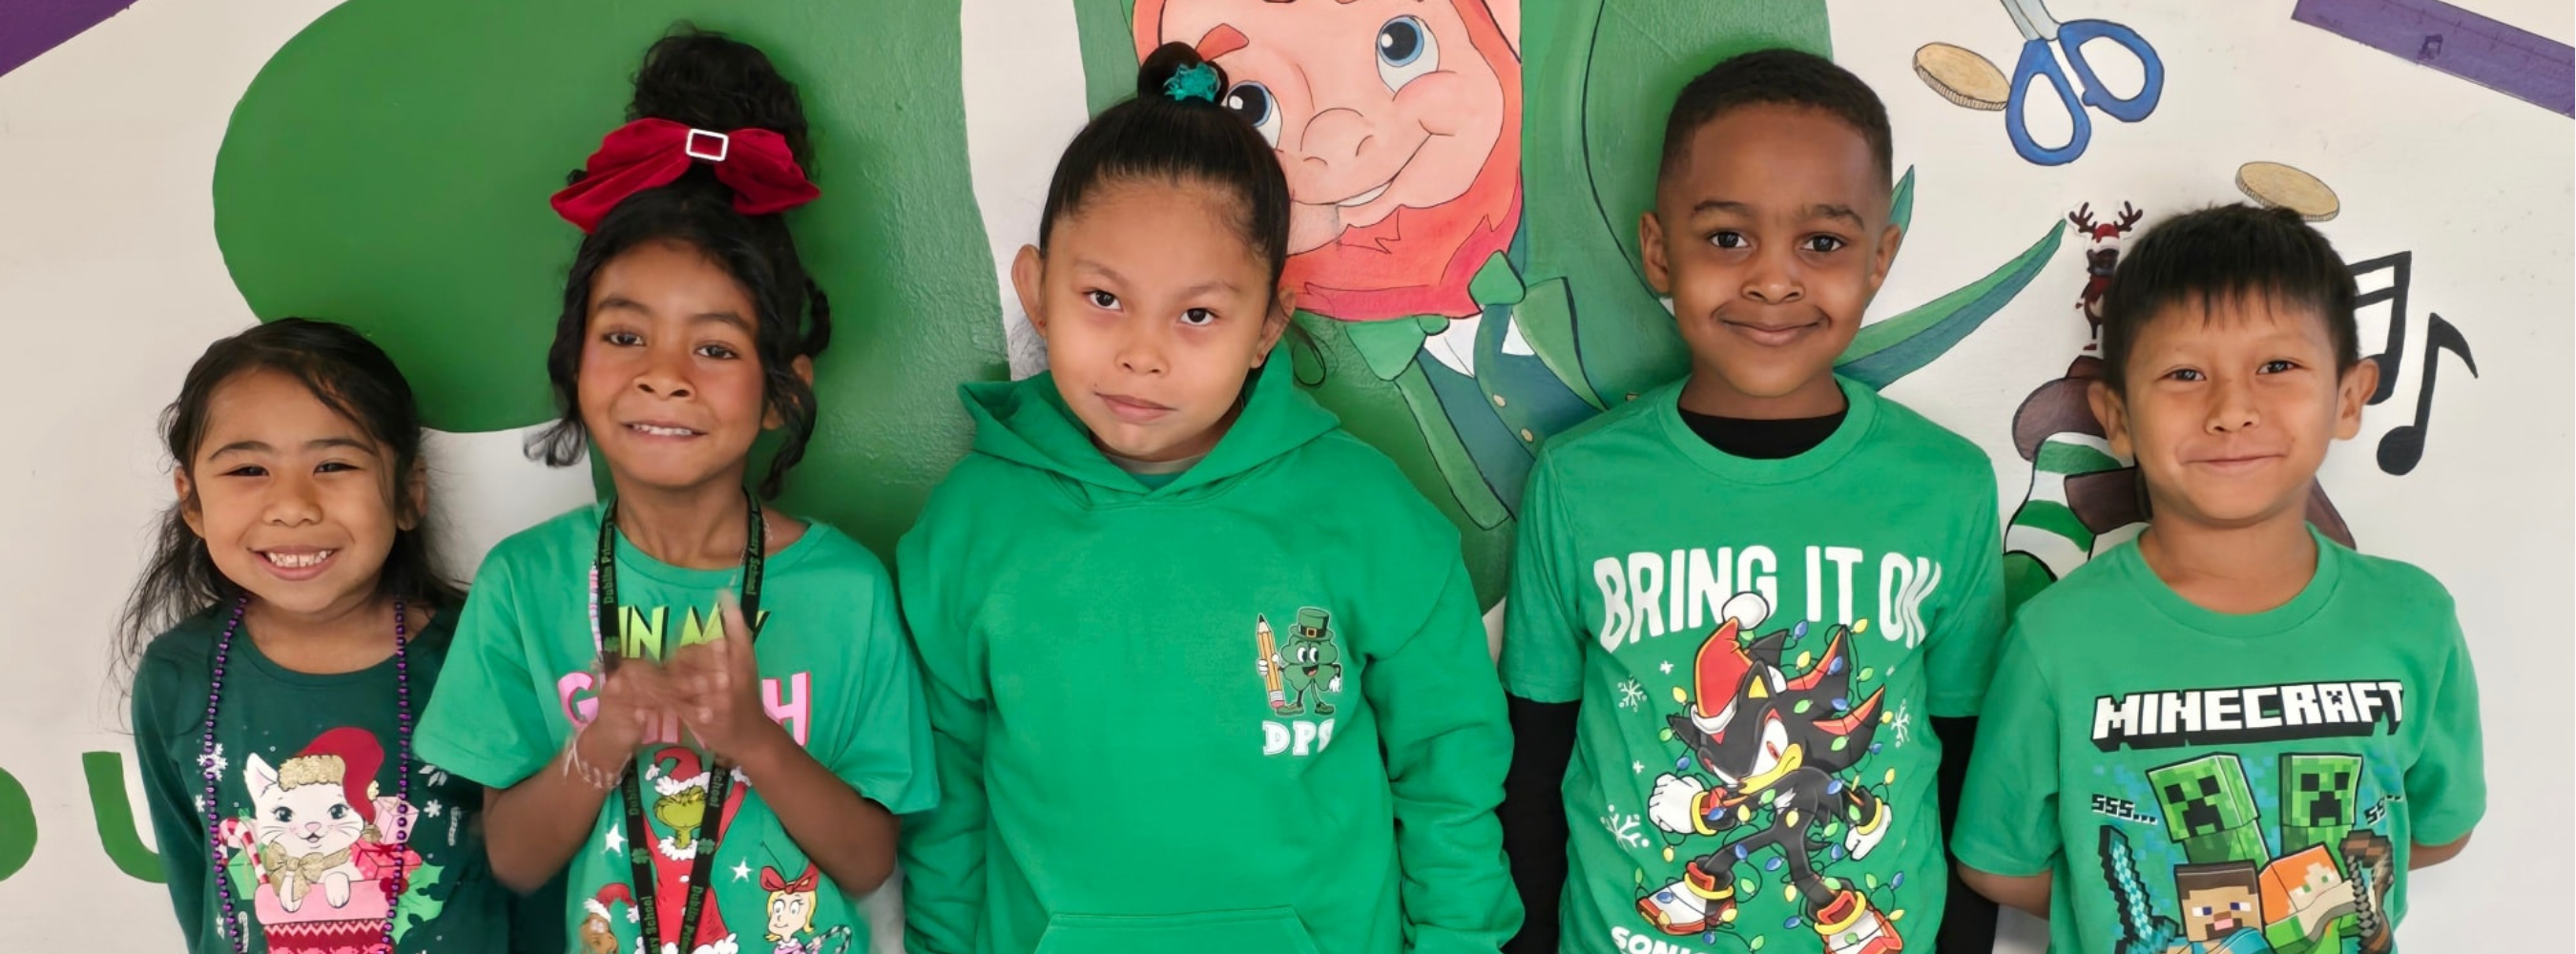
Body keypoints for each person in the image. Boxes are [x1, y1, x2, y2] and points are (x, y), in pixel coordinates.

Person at [898, 42, 1519, 954]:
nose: (1142, 354)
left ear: (1269, 323)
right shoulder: (969, 529)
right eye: (1103, 298)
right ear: (1036, 290)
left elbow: (1450, 768)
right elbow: (942, 807)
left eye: (1197, 315)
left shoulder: (1364, 516)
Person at [413, 27, 933, 954]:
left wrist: (753, 737)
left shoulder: (848, 590)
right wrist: (605, 734)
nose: (665, 375)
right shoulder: (523, 585)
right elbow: (516, 861)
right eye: (624, 336)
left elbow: (866, 860)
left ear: (784, 392)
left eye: (716, 347)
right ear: (574, 361)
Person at [1499, 48, 2006, 954]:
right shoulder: (1580, 484)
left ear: (1881, 255)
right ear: (1660, 249)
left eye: (1823, 242)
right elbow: (1535, 754)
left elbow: (1965, 758)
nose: (1774, 280)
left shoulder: (1948, 486)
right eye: (1728, 237)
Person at [1954, 204, 2483, 954]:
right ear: (2118, 416)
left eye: (2277, 366)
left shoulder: (2413, 619)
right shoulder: (2056, 639)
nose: (2232, 410)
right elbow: (1996, 863)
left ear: (2349, 396)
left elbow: (2435, 831)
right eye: (2184, 373)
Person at [126, 319, 543, 953]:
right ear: (192, 501)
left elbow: (536, 878)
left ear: (407, 493)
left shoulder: (481, 656)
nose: (294, 505)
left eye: (333, 464)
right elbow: (196, 881)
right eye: (247, 471)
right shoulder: (178, 674)